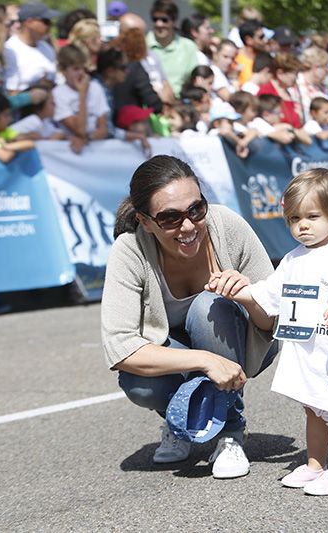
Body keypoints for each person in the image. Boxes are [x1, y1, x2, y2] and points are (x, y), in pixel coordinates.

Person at [102, 155, 278, 478]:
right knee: (139, 382)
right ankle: (183, 419)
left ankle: (229, 432)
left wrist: (249, 298)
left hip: (240, 341)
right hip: (180, 351)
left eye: (196, 209)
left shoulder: (227, 226)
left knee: (208, 307)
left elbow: (274, 322)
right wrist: (205, 361)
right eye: (170, 218)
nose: (188, 226)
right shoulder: (129, 250)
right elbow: (121, 348)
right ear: (145, 221)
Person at [212, 168, 328, 495]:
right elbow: (269, 293)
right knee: (312, 407)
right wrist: (235, 291)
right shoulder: (292, 259)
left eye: (312, 216)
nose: (302, 225)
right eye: (294, 218)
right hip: (306, 350)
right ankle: (315, 464)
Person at [53, 44, 109, 153]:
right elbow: (80, 130)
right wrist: (82, 94)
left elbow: (103, 129)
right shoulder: (58, 94)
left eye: (83, 68)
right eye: (76, 69)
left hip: (93, 149)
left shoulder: (95, 88)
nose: (81, 73)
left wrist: (87, 139)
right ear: (63, 70)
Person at [145, 0, 198, 97]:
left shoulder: (188, 47)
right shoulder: (143, 46)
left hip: (179, 103)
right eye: (155, 19)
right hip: (149, 104)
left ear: (174, 21)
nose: (159, 24)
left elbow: (194, 79)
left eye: (164, 20)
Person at [4, 2, 59, 92]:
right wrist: (37, 88)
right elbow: (10, 92)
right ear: (29, 22)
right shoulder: (10, 49)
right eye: (46, 21)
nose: (50, 26)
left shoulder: (46, 48)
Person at [257, 52, 304, 128]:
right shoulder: (266, 92)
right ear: (280, 73)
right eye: (293, 74)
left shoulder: (289, 92)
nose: (296, 78)